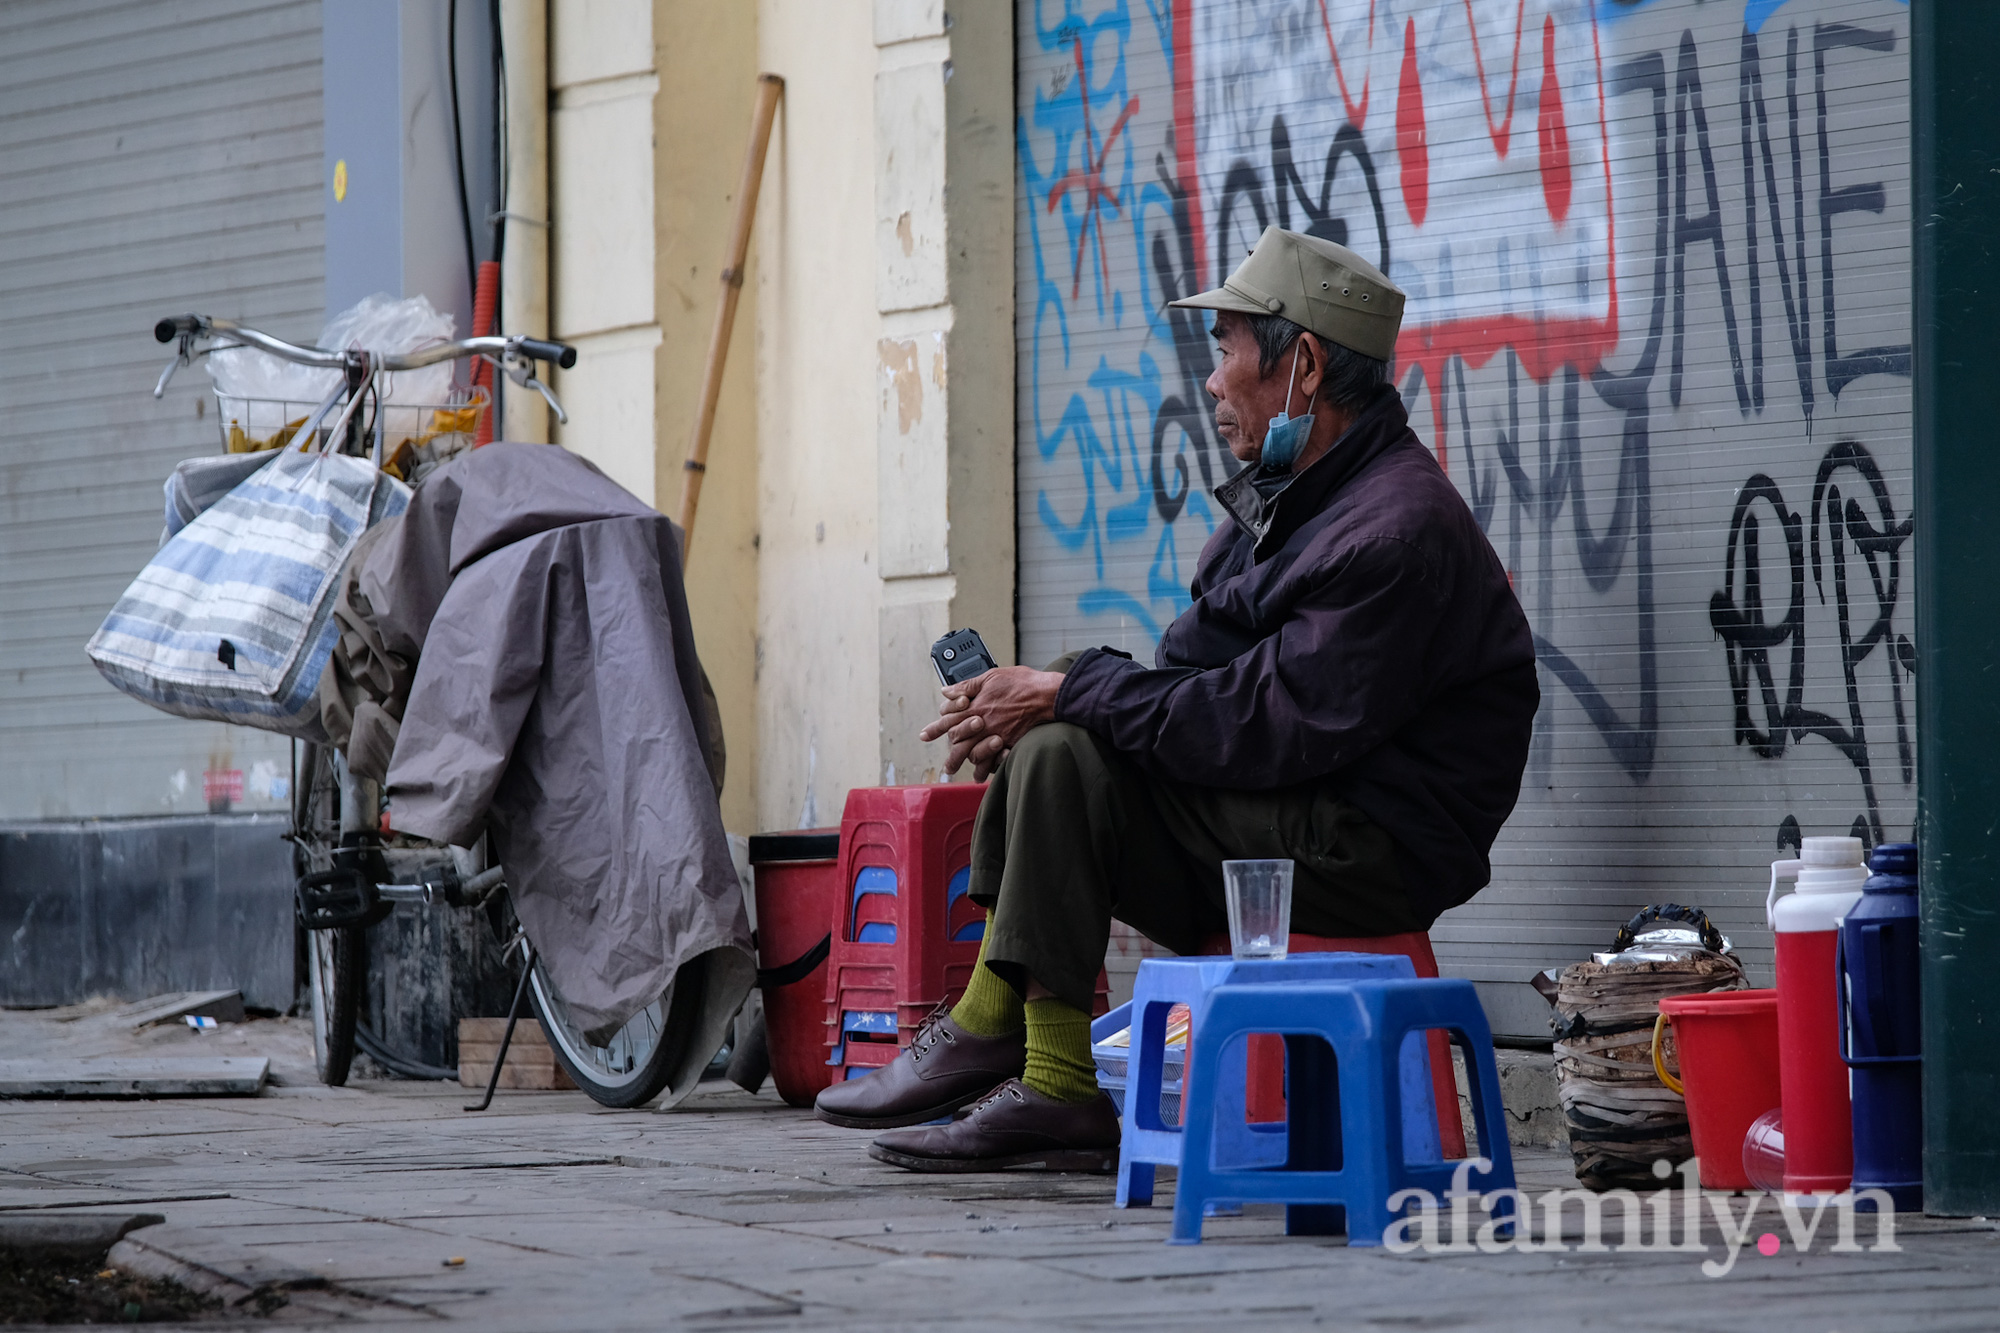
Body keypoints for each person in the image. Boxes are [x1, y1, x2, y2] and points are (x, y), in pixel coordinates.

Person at [814, 227, 1538, 1173]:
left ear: (1304, 366)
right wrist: (1059, 697)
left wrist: (1068, 697)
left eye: (1228, 351)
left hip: (1364, 848)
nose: (1210, 382)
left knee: (1065, 740)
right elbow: (1185, 665)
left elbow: (1259, 722)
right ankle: (1032, 1063)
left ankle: (1034, 1056)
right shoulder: (1300, 497)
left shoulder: (1393, 530)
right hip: (1287, 819)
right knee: (1062, 737)